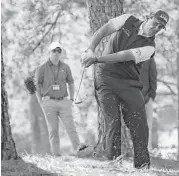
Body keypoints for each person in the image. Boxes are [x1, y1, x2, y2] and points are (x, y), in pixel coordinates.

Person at [81, 10, 169, 169]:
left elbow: (123, 56)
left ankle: (142, 167)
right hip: (105, 77)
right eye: (156, 22)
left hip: (129, 83)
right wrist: (90, 50)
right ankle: (113, 164)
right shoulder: (127, 19)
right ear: (148, 17)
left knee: (140, 122)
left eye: (161, 27)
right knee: (112, 121)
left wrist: (96, 59)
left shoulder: (150, 48)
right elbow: (103, 30)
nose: (157, 27)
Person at [35, 42, 86, 156]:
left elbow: (71, 82)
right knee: (53, 130)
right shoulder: (41, 68)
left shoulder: (65, 67)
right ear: (49, 52)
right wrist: (40, 101)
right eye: (54, 51)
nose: (56, 53)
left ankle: (79, 150)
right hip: (48, 102)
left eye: (59, 51)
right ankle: (57, 155)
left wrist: (71, 98)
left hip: (64, 101)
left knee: (70, 126)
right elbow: (37, 85)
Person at [25, 70, 51, 155]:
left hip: (42, 107)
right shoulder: (32, 82)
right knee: (36, 129)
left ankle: (47, 151)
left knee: (45, 129)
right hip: (35, 107)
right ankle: (36, 152)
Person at [140, 56, 157, 152]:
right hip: (134, 98)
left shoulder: (150, 58)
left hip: (147, 98)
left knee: (147, 124)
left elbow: (153, 76)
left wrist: (151, 96)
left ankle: (147, 149)